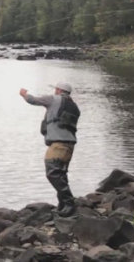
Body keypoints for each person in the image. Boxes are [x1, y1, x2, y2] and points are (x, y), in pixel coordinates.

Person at [19, 81, 81, 217]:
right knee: (61, 174)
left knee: (52, 173)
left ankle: (69, 204)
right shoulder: (74, 107)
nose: (55, 91)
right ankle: (63, 204)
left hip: (59, 144)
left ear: (59, 90)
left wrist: (24, 94)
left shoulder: (53, 99)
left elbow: (33, 100)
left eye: (56, 89)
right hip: (69, 145)